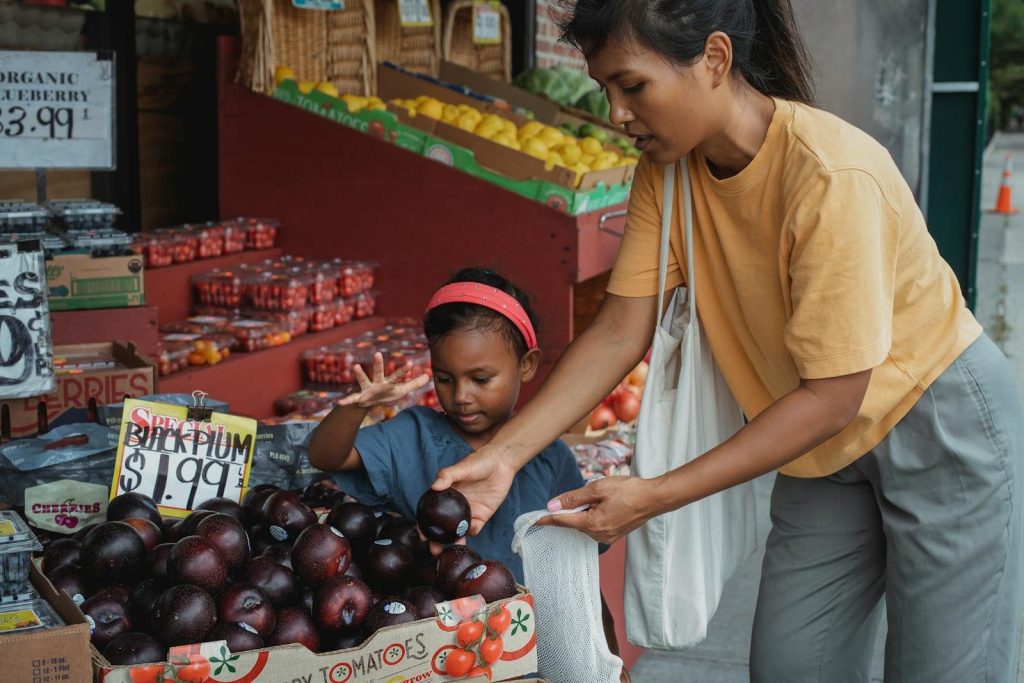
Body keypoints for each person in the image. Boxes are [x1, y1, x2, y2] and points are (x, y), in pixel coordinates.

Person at [431, 2, 1024, 682]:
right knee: (793, 664)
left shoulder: (830, 175)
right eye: (604, 91)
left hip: (936, 423)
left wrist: (653, 494)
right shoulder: (669, 171)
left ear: (715, 59)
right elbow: (623, 328)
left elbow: (834, 396)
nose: (616, 113)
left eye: (632, 86)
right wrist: (505, 456)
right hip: (824, 447)